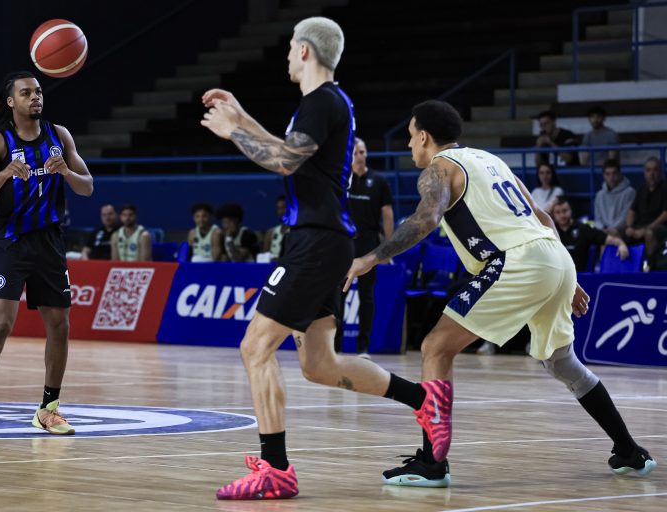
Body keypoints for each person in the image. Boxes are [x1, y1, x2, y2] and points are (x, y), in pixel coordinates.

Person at [346, 99, 655, 487]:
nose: (409, 145)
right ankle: (629, 451)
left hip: (517, 260)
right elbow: (542, 216)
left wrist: (371, 258)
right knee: (562, 362)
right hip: (553, 257)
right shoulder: (491, 160)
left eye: (410, 136)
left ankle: (432, 463)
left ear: (424, 136)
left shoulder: (439, 168)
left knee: (435, 347)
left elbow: (426, 219)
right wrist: (566, 275)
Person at [202, 17, 431, 500]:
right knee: (320, 365)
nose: (287, 54)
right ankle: (423, 400)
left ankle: (274, 469)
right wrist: (241, 117)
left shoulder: (323, 101)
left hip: (315, 243)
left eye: (290, 46)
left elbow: (284, 161)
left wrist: (232, 133)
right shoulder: (325, 103)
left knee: (255, 347)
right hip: (324, 242)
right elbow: (289, 150)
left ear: (305, 50)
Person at [0, 71, 94, 436]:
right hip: (11, 241)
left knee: (60, 325)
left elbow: (88, 187)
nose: (35, 97)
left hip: (49, 241)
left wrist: (66, 172)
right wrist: (4, 174)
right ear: (11, 101)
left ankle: (48, 409)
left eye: (38, 91)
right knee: (3, 322)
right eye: (26, 93)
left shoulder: (59, 136)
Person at [334, 137, 394, 358]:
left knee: (366, 295)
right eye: (356, 152)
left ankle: (363, 347)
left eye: (363, 152)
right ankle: (336, 346)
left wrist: (388, 248)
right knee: (339, 295)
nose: (361, 156)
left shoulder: (378, 181)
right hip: (344, 243)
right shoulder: (341, 180)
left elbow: (387, 214)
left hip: (369, 243)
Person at [551, 196, 629, 272]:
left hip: (580, 275)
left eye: (565, 211)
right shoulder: (550, 231)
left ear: (571, 210)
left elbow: (607, 238)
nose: (562, 215)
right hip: (557, 275)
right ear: (553, 215)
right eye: (558, 212)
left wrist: (621, 244)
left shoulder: (583, 228)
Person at [624, 157, 667, 269]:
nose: (652, 174)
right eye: (648, 170)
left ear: (660, 172)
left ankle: (649, 267)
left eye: (655, 170)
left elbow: (665, 214)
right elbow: (632, 211)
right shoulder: (641, 189)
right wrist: (629, 227)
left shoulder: (665, 188)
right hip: (640, 226)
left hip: (660, 227)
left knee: (649, 234)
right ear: (644, 172)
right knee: (614, 233)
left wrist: (646, 229)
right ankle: (616, 269)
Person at [593, 159, 636, 236]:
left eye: (614, 173)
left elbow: (625, 217)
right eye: (608, 174)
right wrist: (603, 229)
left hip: (621, 231)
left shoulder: (630, 192)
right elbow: (598, 219)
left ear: (619, 174)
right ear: (603, 176)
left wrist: (612, 230)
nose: (611, 177)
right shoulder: (599, 195)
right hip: (603, 232)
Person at [262, 195, 290, 261]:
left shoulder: (297, 232)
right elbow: (264, 257)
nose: (280, 211)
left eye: (283, 207)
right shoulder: (270, 232)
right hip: (272, 266)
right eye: (278, 208)